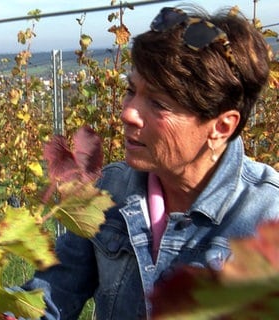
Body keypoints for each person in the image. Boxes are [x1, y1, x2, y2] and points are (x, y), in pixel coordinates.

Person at [22, 4, 279, 320]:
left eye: (159, 103)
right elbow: (44, 300)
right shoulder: (108, 191)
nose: (128, 112)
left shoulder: (268, 218)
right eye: (132, 90)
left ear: (221, 126)